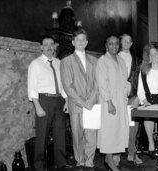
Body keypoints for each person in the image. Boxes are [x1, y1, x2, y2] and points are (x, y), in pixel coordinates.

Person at [27, 35, 68, 171]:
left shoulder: (59, 63)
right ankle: (39, 166)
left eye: (52, 44)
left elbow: (63, 84)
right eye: (46, 44)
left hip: (59, 100)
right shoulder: (35, 64)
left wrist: (66, 101)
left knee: (60, 133)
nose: (49, 47)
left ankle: (61, 164)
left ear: (55, 46)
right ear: (41, 47)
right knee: (42, 136)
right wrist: (37, 106)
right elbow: (32, 87)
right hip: (44, 101)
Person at [60, 29, 98, 168]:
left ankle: (89, 161)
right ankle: (80, 161)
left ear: (87, 42)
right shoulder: (66, 61)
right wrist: (83, 103)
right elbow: (68, 86)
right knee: (77, 134)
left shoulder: (94, 60)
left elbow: (97, 83)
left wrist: (91, 101)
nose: (81, 42)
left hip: (92, 103)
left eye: (83, 40)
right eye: (78, 40)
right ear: (73, 42)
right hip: (76, 104)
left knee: (91, 134)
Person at [96, 35, 131, 171]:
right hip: (109, 101)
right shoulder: (102, 61)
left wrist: (128, 95)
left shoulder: (121, 60)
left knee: (118, 129)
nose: (114, 46)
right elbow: (102, 84)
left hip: (121, 100)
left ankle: (109, 159)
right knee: (109, 131)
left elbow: (124, 81)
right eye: (111, 44)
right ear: (106, 46)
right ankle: (109, 161)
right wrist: (109, 102)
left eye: (116, 43)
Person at [137, 42, 158, 154]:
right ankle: (150, 142)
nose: (154, 57)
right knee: (148, 116)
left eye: (156, 54)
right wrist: (144, 101)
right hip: (148, 102)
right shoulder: (143, 72)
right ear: (148, 57)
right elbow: (140, 90)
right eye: (151, 55)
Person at [118, 34, 142, 164]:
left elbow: (139, 79)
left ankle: (132, 152)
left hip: (132, 96)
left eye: (129, 41)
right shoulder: (114, 57)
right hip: (117, 97)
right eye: (124, 41)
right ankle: (115, 153)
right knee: (117, 125)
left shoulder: (136, 59)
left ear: (132, 43)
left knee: (133, 125)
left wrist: (138, 96)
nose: (126, 43)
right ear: (120, 42)